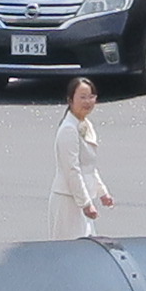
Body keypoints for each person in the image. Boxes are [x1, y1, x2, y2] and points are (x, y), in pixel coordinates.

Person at [50, 73, 115, 237]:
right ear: (70, 100)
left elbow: (89, 166)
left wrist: (102, 193)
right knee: (69, 251)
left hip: (82, 199)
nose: (88, 102)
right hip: (68, 201)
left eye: (91, 97)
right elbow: (72, 170)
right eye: (82, 97)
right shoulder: (68, 129)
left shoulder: (85, 124)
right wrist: (86, 204)